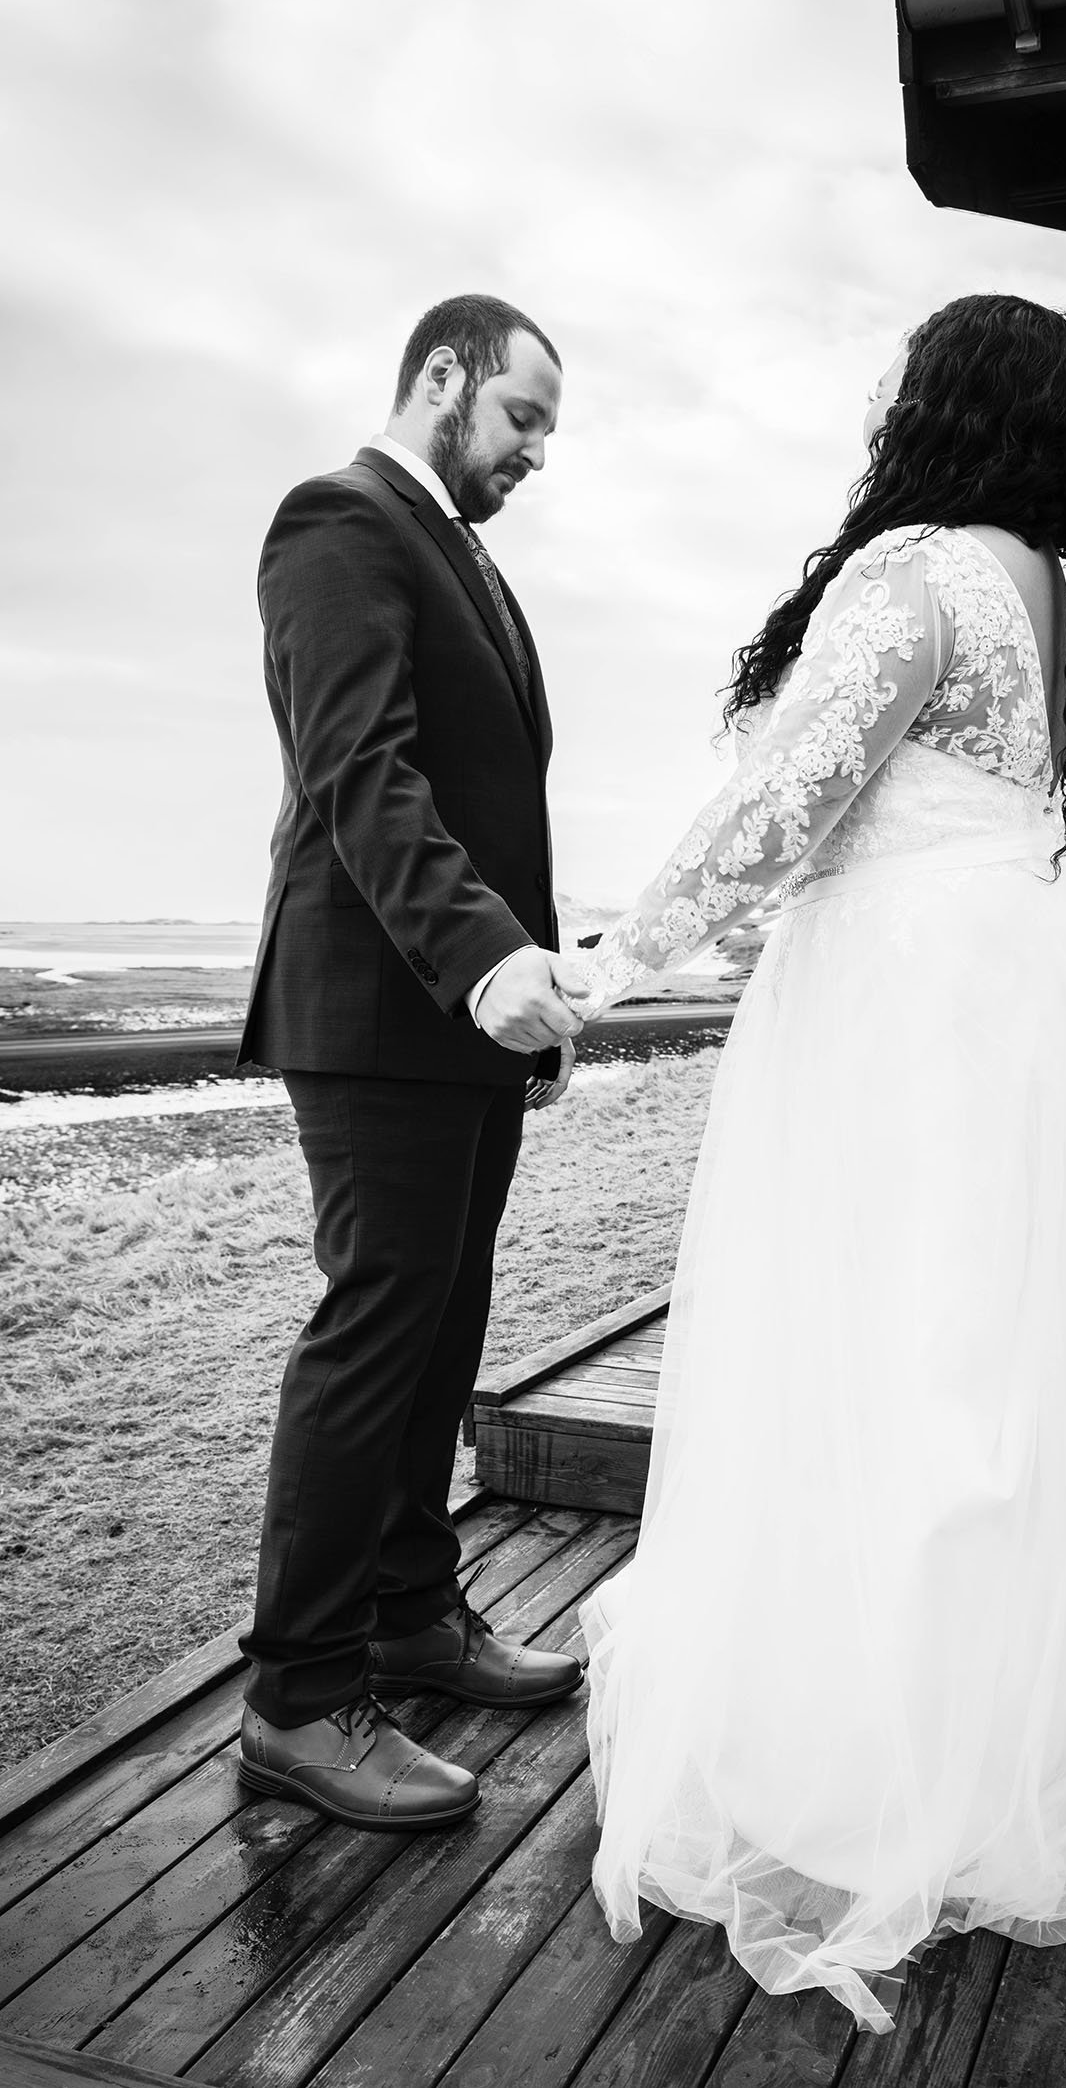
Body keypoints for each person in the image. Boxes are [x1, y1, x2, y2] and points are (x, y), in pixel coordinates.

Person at [573, 294, 1066, 2030]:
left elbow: (793, 801)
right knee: (977, 1386)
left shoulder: (920, 570)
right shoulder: (1039, 585)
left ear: (943, 411)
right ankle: (985, 1754)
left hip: (889, 1016)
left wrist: (614, 960)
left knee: (854, 1366)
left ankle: (860, 1777)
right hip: (1004, 1017)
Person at [236, 295, 590, 1833]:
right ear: (441, 375)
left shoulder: (466, 553)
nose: (533, 453)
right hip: (377, 1009)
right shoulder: (338, 522)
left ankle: (409, 1614)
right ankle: (299, 1698)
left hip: (463, 1021)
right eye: (521, 416)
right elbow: (359, 774)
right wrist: (484, 960)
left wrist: (539, 986)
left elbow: (494, 797)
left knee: (447, 1320)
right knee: (375, 1326)